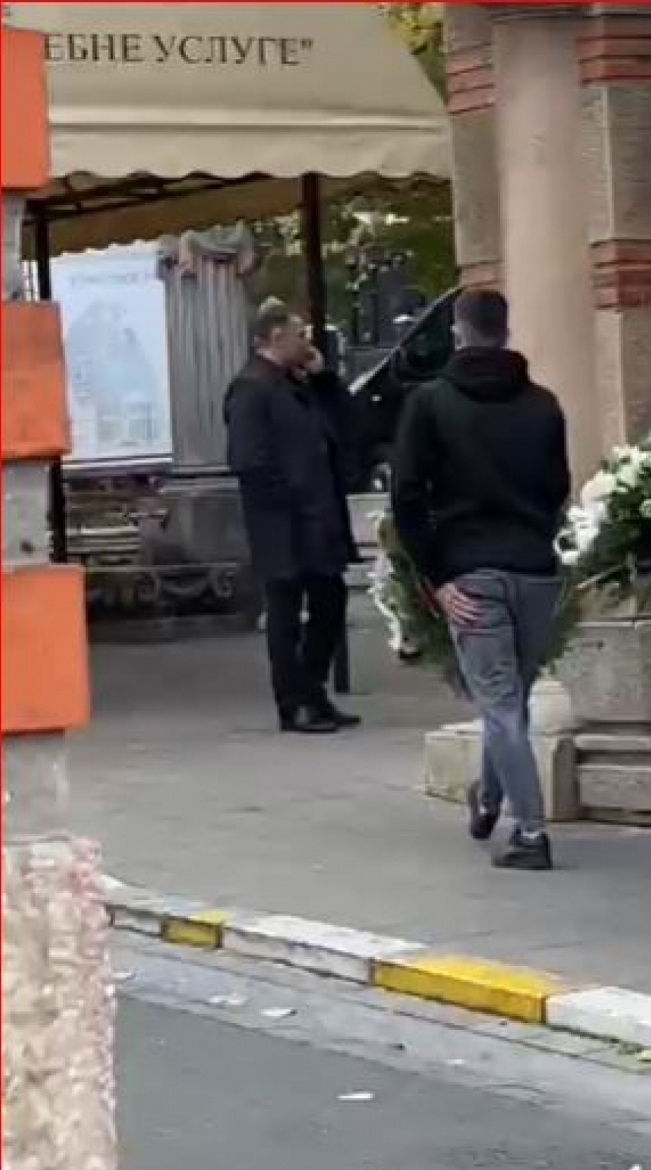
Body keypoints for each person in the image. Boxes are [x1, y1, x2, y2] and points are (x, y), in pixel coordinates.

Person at [392, 288, 570, 870]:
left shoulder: (430, 404)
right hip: (537, 569)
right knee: (510, 700)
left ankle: (532, 833)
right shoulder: (543, 404)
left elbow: (407, 498)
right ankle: (490, 796)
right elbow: (557, 488)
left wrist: (437, 576)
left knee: (501, 707)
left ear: (458, 333)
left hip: (471, 570)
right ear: (505, 331)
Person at [224, 303, 359, 734]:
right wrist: (288, 500)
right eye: (300, 334)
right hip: (283, 523)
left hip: (318, 518)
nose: (307, 342)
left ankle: (312, 690)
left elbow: (348, 425)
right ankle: (294, 702)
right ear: (276, 337)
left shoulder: (298, 384)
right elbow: (249, 460)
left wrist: (323, 378)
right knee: (285, 614)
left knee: (330, 602)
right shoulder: (251, 388)